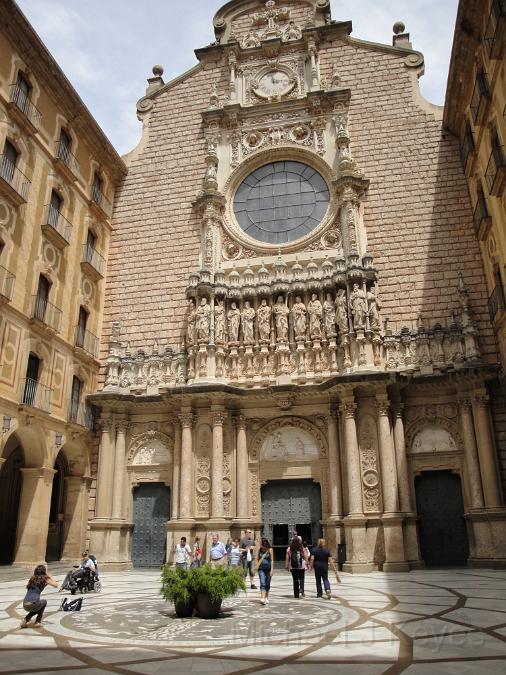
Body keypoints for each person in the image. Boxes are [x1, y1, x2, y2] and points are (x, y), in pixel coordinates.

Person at [256, 538, 274, 605]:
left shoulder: (270, 550)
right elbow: (257, 559)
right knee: (262, 583)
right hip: (261, 569)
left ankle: (266, 597)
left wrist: (272, 570)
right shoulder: (259, 550)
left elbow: (272, 560)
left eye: (264, 546)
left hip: (268, 569)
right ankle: (262, 597)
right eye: (262, 546)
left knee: (267, 583)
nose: (263, 547)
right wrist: (257, 565)